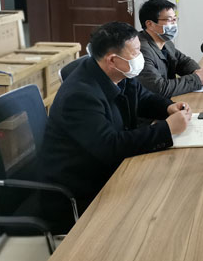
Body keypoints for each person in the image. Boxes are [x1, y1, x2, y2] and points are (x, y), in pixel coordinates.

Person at [39, 22, 191, 231]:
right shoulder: (79, 96)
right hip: (82, 190)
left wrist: (168, 107)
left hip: (109, 170)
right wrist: (166, 129)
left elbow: (143, 97)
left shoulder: (117, 73)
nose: (140, 57)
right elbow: (110, 147)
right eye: (136, 52)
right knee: (160, 211)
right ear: (112, 60)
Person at [138, 0, 203, 97]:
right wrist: (197, 79)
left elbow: (183, 62)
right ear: (150, 24)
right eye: (169, 20)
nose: (174, 24)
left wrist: (198, 71)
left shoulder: (166, 42)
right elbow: (159, 88)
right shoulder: (140, 50)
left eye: (175, 19)